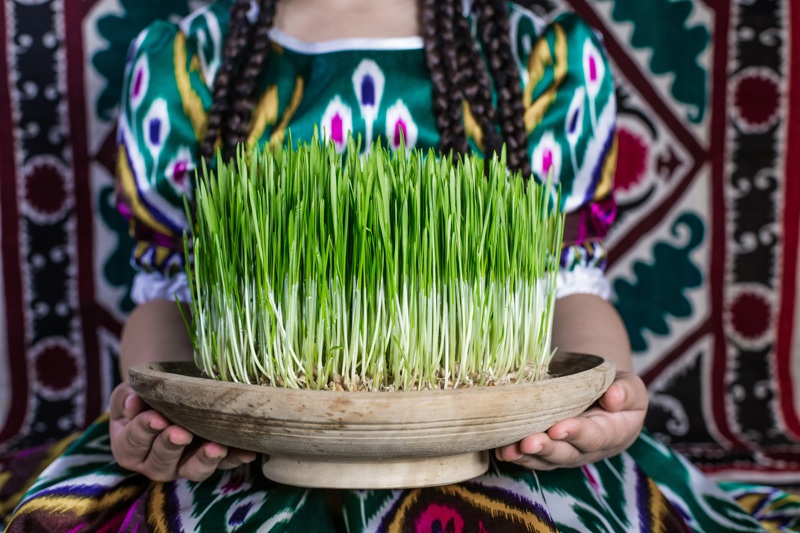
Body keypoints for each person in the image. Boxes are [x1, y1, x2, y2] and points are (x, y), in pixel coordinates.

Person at [5, 0, 771, 530]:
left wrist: (601, 395)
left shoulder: (542, 57)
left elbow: (569, 282)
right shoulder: (187, 61)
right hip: (249, 452)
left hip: (494, 447)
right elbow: (166, 295)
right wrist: (157, 411)